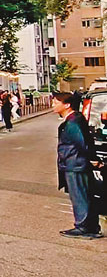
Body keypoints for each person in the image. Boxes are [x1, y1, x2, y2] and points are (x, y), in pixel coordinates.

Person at [53, 92, 102, 239]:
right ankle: (91, 227)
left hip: (75, 164)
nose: (53, 105)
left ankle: (83, 227)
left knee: (79, 196)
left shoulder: (73, 122)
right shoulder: (75, 119)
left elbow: (83, 143)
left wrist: (93, 159)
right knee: (84, 195)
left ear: (67, 105)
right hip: (76, 163)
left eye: (56, 102)